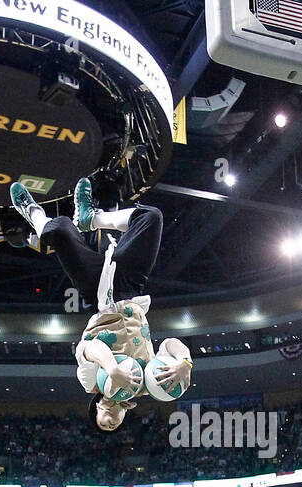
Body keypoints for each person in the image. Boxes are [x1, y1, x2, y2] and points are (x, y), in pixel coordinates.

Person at [10, 178, 193, 433]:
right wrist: (185, 362)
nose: (111, 423)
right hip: (132, 289)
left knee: (61, 230)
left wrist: (111, 368)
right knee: (150, 217)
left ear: (96, 409)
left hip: (99, 296)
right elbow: (169, 344)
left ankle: (32, 212)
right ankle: (91, 218)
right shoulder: (148, 384)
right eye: (113, 427)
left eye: (103, 425)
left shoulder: (91, 384)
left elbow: (89, 347)